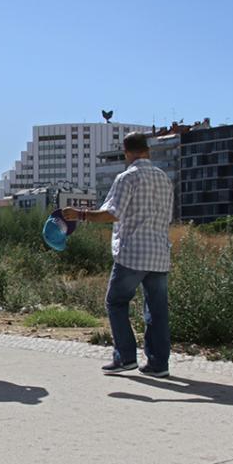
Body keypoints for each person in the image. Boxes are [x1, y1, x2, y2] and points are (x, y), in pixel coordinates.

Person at [63, 132, 173, 377]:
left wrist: (79, 215)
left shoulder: (127, 178)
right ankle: (158, 364)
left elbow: (111, 214)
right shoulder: (164, 179)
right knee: (157, 309)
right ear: (148, 150)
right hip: (159, 252)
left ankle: (125, 357)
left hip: (133, 252)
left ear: (126, 153)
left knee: (115, 301)